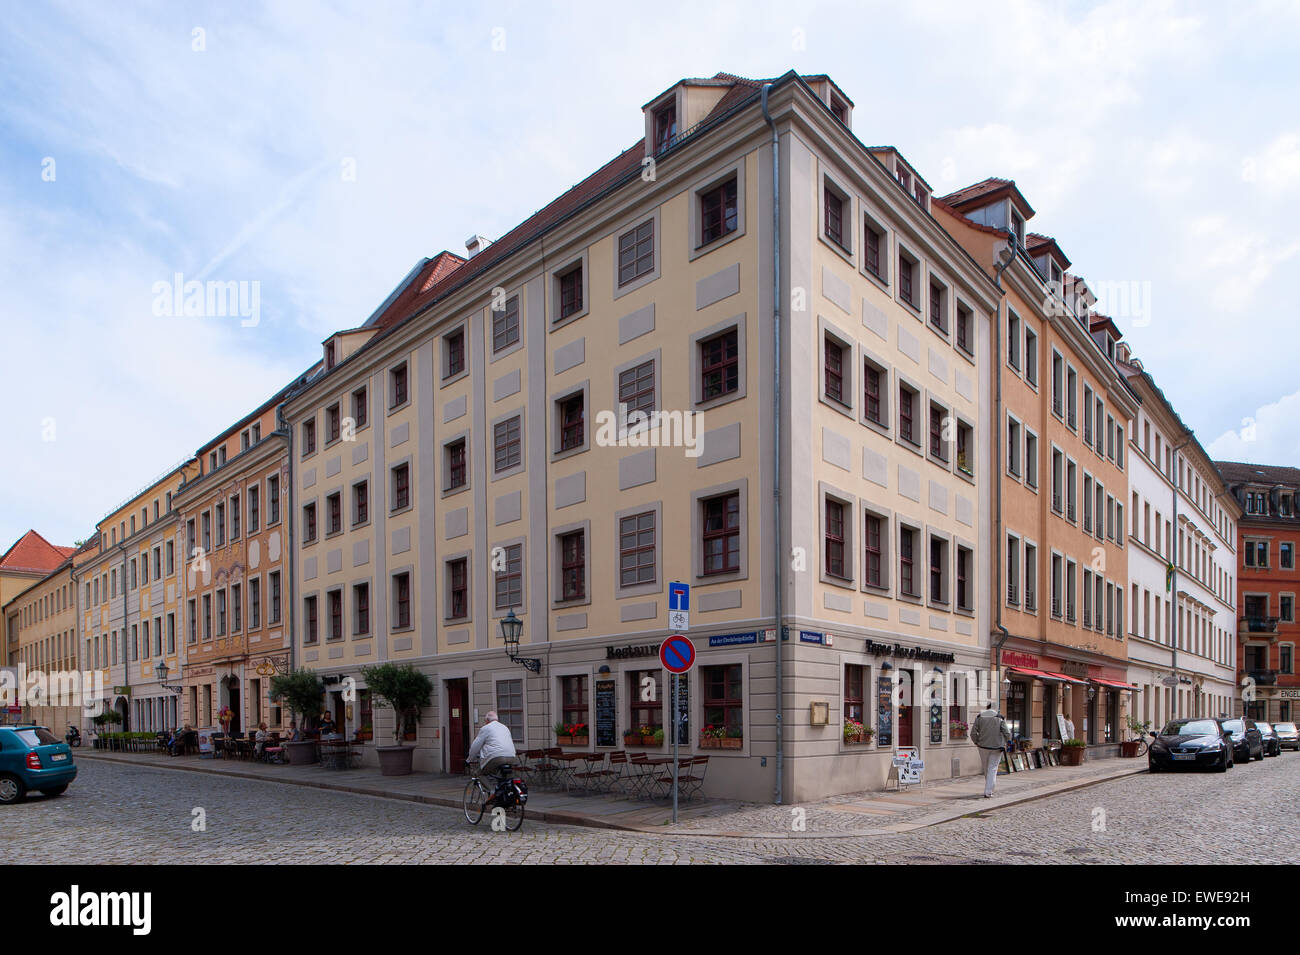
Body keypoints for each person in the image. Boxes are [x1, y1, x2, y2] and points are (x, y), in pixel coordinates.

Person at [970, 702, 1012, 798]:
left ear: (987, 708)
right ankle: (988, 791)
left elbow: (973, 733)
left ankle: (988, 788)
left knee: (986, 767)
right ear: (996, 708)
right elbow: (1007, 733)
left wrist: (976, 742)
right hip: (997, 747)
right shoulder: (999, 718)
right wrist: (1007, 741)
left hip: (982, 746)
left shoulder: (980, 717)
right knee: (992, 768)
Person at [466, 711, 516, 782]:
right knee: (505, 778)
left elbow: (475, 746)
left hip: (496, 757)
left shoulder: (486, 728)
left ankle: (491, 791)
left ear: (487, 720)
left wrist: (469, 760)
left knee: (479, 774)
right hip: (511, 756)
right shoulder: (505, 727)